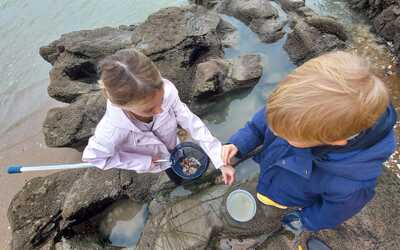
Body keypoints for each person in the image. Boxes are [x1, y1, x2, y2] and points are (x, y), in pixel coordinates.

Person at [222, 51, 397, 249]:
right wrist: (238, 144)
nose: (278, 132)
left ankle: (274, 202)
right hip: (273, 169)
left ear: (335, 141)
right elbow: (258, 126)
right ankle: (267, 192)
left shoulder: (351, 182)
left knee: (274, 204)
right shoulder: (291, 110)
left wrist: (305, 220)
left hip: (290, 198)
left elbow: (333, 212)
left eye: (287, 135)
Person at [82, 48, 235, 185]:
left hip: (174, 145)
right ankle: (180, 182)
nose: (161, 110)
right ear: (122, 106)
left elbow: (191, 121)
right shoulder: (111, 131)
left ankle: (187, 178)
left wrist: (219, 159)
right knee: (174, 174)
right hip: (157, 160)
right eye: (149, 109)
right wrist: (142, 162)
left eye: (161, 100)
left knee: (181, 158)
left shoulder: (167, 91)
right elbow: (94, 158)